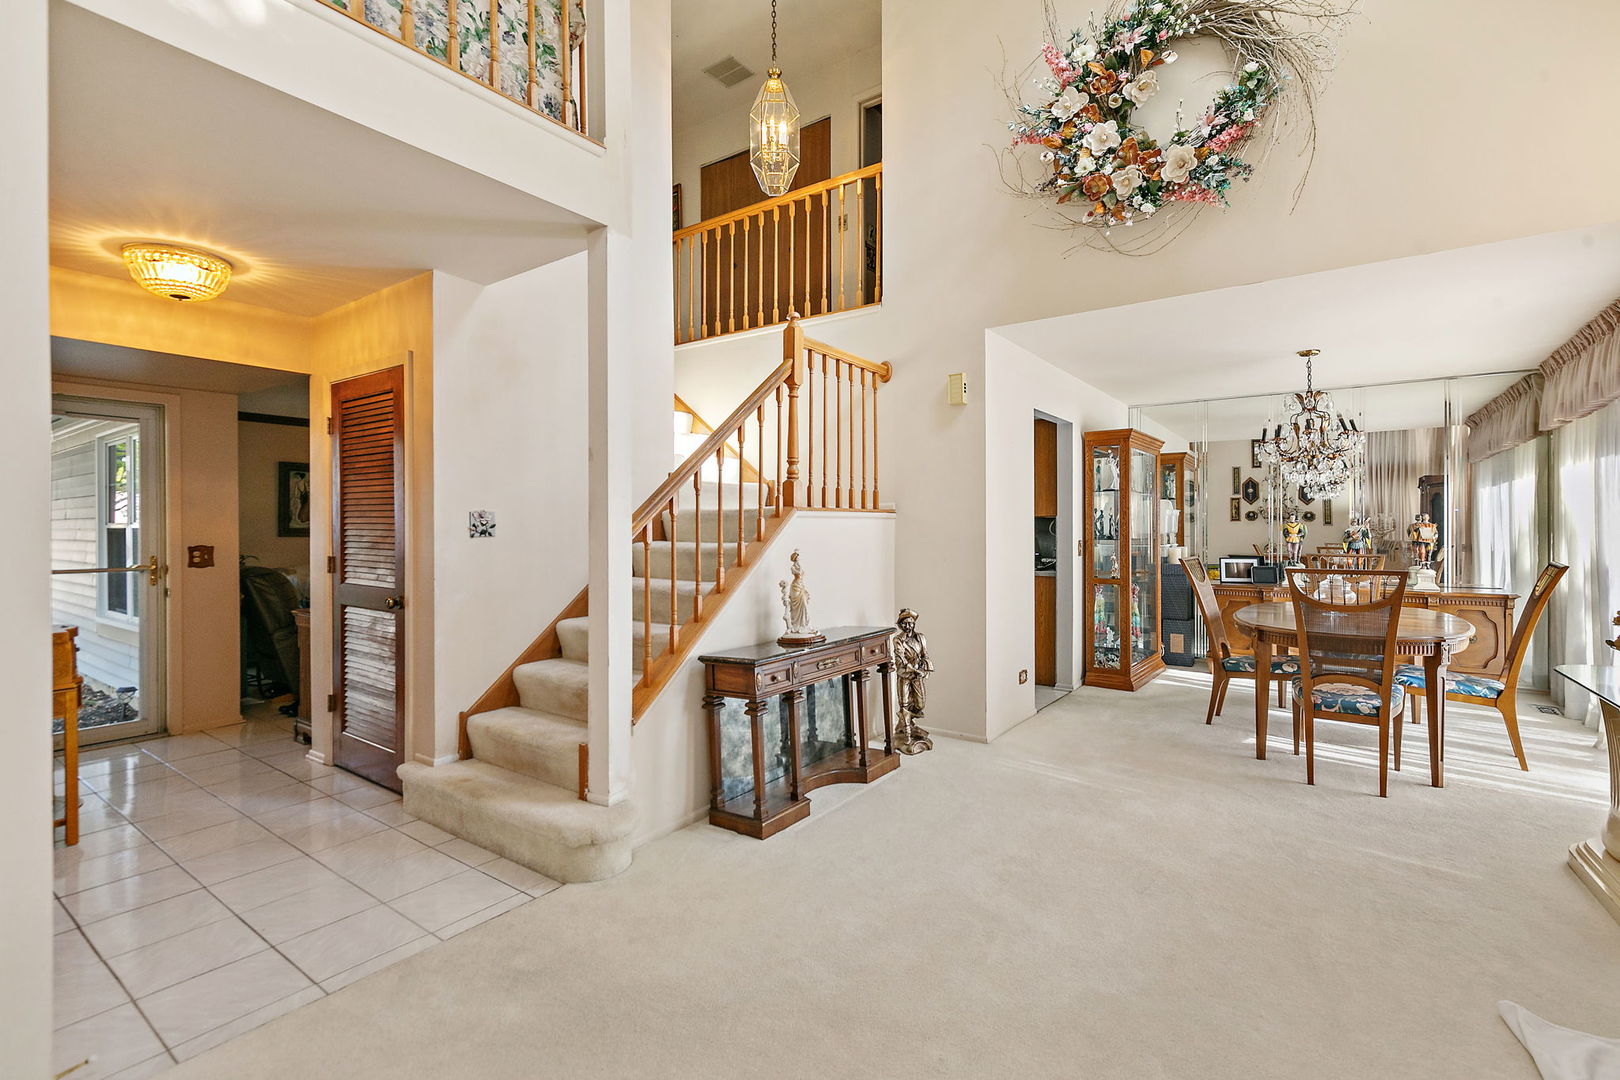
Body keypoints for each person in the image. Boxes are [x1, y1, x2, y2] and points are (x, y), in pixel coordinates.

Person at [893, 609, 934, 753]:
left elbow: (925, 655)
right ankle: (907, 733)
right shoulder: (898, 640)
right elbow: (900, 660)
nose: (908, 626)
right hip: (904, 675)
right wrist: (913, 668)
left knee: (920, 704)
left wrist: (923, 666)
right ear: (900, 625)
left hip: (917, 676)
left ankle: (907, 723)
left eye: (910, 623)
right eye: (905, 623)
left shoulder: (920, 638)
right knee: (904, 704)